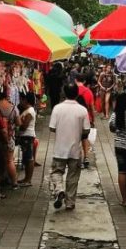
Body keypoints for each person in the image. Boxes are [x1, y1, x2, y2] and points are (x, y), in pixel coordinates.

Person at [49, 82, 90, 212]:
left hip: (59, 149)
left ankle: (59, 189)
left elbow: (52, 127)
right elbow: (86, 130)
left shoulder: (57, 108)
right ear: (77, 94)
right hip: (75, 150)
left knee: (56, 172)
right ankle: (70, 202)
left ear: (64, 93)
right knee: (73, 177)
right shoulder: (82, 110)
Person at [0, 87, 19, 190]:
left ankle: (0, 182)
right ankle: (14, 182)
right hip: (9, 136)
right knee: (9, 160)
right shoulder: (13, 107)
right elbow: (18, 123)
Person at [17, 92, 37, 187]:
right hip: (25, 136)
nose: (20, 101)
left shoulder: (30, 111)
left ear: (25, 100)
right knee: (27, 157)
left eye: (21, 99)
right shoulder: (27, 110)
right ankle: (26, 178)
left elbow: (24, 126)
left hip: (27, 136)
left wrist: (18, 123)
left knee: (28, 158)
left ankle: (28, 180)